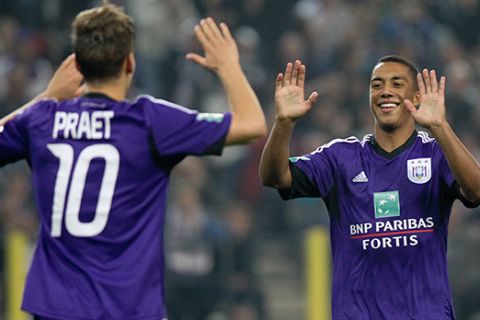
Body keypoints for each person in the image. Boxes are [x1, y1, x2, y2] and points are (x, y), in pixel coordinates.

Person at [0, 3, 266, 320]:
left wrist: (47, 96)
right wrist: (228, 66)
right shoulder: (150, 121)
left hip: (57, 309)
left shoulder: (42, 119)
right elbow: (252, 126)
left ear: (78, 65)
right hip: (127, 308)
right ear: (130, 62)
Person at [259, 56, 480, 319]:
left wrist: (440, 127)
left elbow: (476, 191)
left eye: (397, 83)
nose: (385, 91)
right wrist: (283, 123)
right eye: (377, 85)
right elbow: (274, 177)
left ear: (417, 96)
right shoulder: (340, 158)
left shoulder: (437, 154)